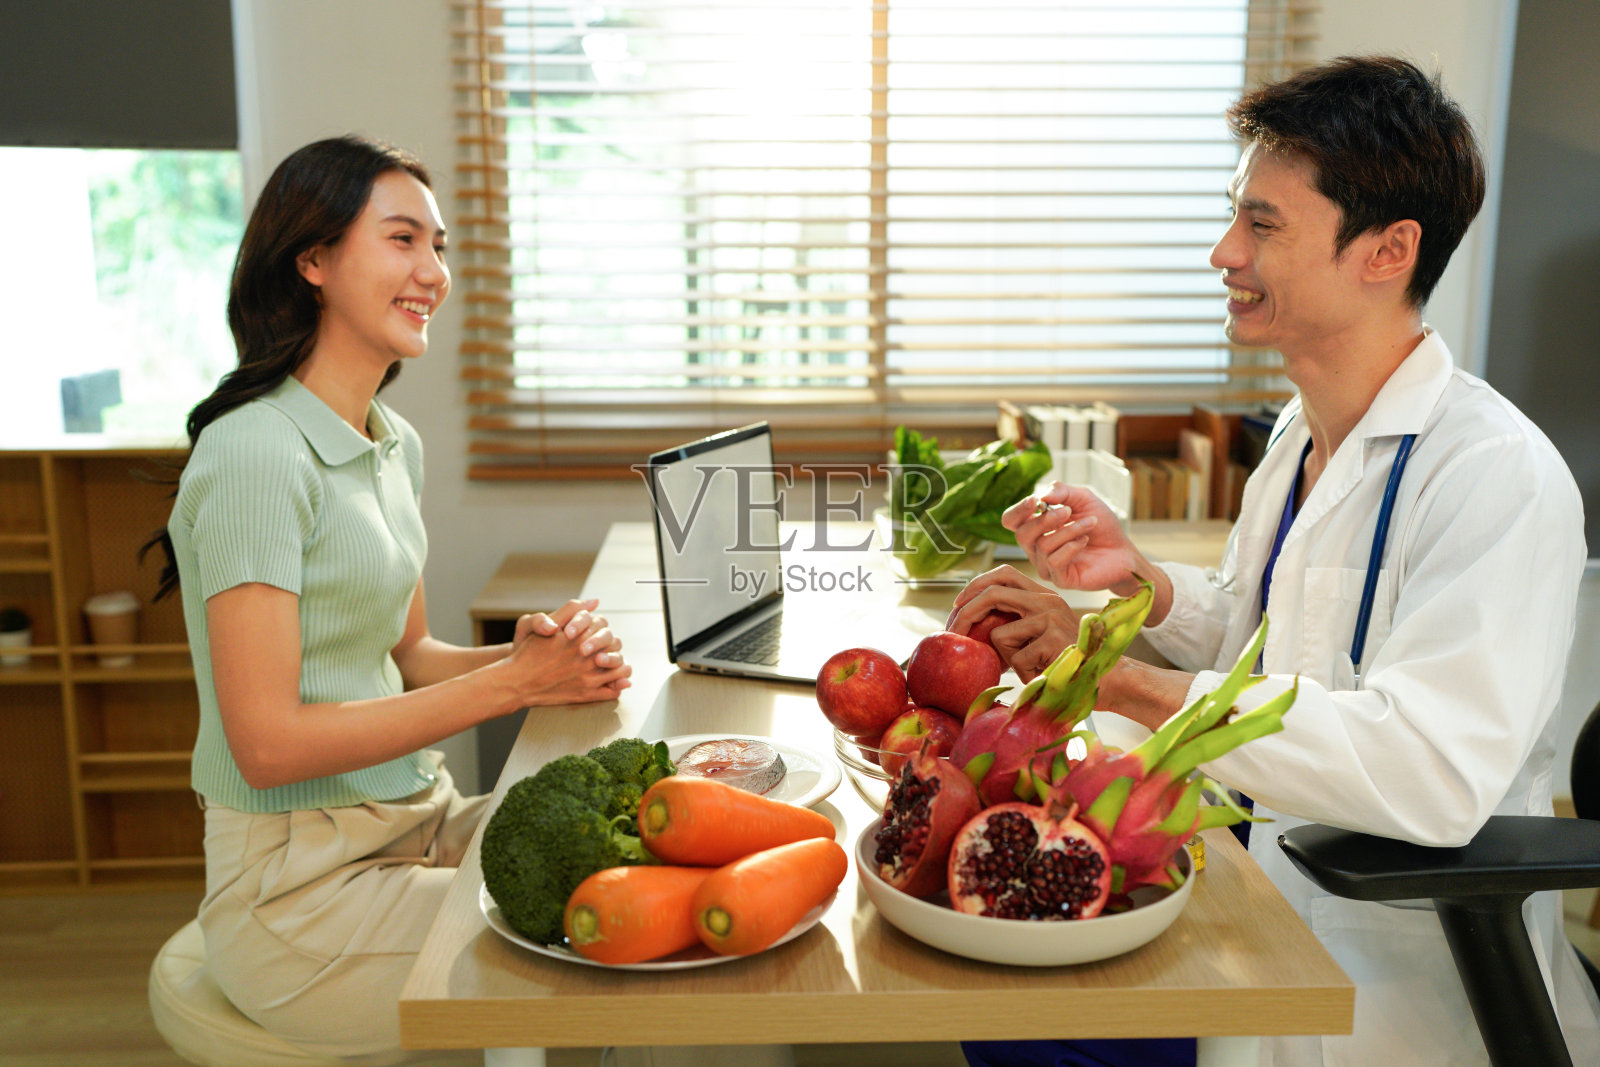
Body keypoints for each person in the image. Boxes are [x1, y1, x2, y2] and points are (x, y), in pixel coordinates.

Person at [948, 57, 1600, 1066]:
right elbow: (1277, 635)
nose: (1222, 252)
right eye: (1232, 217)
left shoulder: (1495, 478)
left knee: (1023, 1029)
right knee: (994, 987)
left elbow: (1431, 768)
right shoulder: (1304, 430)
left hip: (1379, 965)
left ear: (1386, 251)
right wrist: (1138, 586)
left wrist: (1120, 680)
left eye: (1262, 225)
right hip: (1244, 865)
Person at [145, 135, 633, 1062]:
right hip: (300, 894)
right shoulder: (255, 452)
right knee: (604, 932)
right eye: (403, 239)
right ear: (314, 260)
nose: (434, 272)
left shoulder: (389, 441)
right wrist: (511, 687)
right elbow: (267, 741)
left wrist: (536, 660)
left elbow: (409, 656)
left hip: (417, 826)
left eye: (439, 246)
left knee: (645, 836)